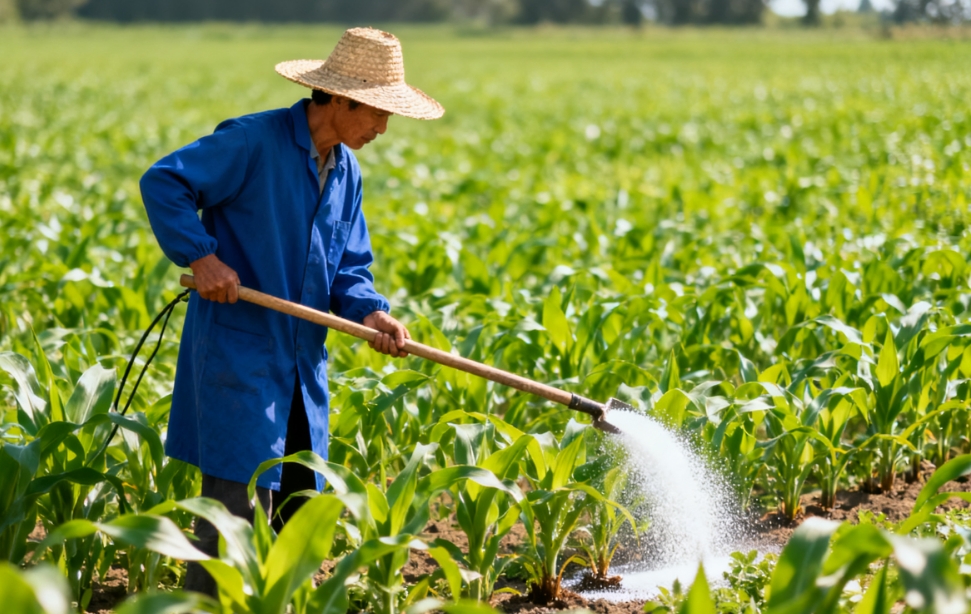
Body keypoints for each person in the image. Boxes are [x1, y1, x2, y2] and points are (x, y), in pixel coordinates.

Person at [139, 27, 444, 595]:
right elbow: (166, 181)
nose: (382, 129)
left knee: (300, 510)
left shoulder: (345, 171)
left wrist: (371, 313)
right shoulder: (252, 142)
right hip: (242, 359)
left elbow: (349, 265)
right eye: (378, 114)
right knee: (232, 521)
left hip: (303, 368)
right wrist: (202, 258)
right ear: (342, 99)